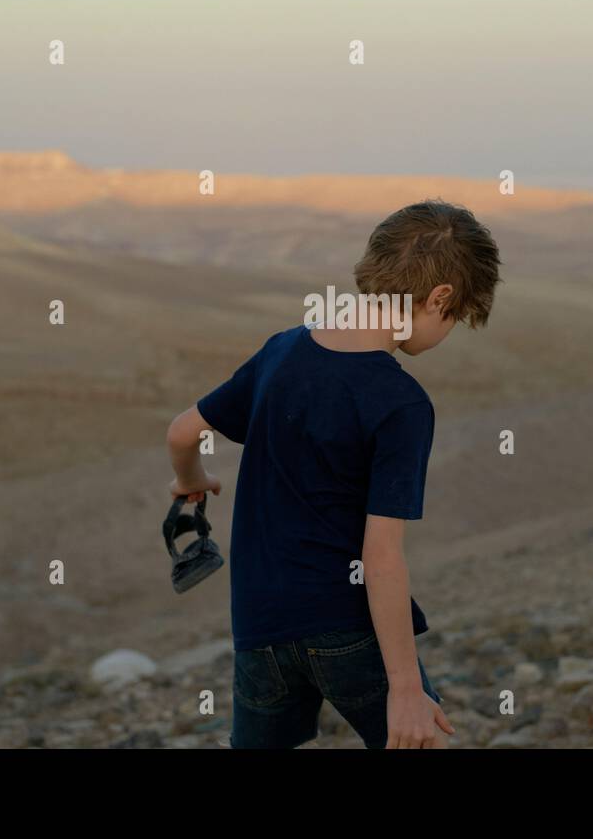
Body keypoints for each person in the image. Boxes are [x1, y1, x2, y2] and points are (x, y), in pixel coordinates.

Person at [166, 199, 501, 748]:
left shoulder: (282, 351)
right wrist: (406, 688)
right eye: (457, 317)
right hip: (343, 628)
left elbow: (182, 432)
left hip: (259, 629)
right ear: (440, 298)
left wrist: (190, 481)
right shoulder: (400, 402)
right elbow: (382, 556)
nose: (451, 330)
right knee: (421, 741)